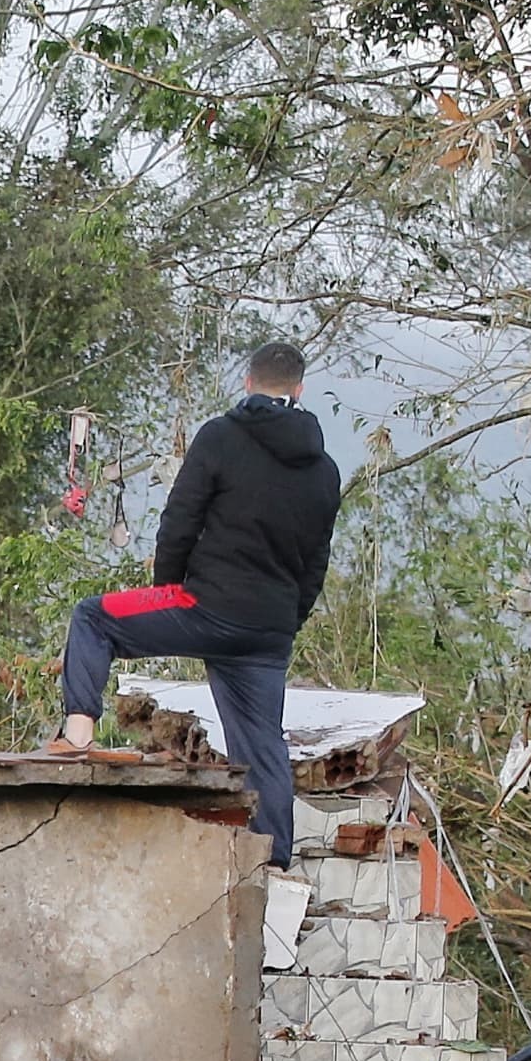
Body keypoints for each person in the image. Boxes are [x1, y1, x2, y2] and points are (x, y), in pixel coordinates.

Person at [49, 340, 341, 867]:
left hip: (205, 605)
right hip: (268, 631)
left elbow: (179, 520)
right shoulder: (324, 470)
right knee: (262, 748)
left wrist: (167, 588)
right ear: (299, 391)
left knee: (93, 617)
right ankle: (275, 867)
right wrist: (286, 622)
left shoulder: (221, 437)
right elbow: (315, 563)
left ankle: (76, 737)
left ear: (248, 384)